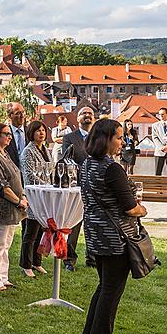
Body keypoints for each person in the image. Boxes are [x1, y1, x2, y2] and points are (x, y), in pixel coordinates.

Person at [79, 119, 148, 334]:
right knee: (111, 290)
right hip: (116, 238)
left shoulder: (87, 164)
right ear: (105, 139)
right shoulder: (111, 169)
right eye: (118, 137)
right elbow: (130, 207)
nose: (122, 142)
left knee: (104, 287)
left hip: (96, 235)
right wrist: (142, 209)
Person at [0, 122, 28, 291]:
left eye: (10, 134)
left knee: (6, 244)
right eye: (6, 134)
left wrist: (22, 196)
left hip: (13, 208)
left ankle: (3, 277)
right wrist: (18, 200)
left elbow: (15, 176)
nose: (10, 137)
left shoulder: (4, 153)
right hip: (1, 207)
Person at [60, 106, 94, 272]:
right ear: (77, 118)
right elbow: (67, 159)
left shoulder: (98, 137)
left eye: (90, 113)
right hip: (78, 187)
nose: (87, 115)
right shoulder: (69, 137)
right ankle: (69, 260)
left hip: (96, 187)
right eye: (83, 113)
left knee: (94, 224)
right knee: (74, 225)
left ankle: (93, 258)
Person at [19, 121, 49, 278]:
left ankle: (37, 262)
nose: (41, 133)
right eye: (38, 130)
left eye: (43, 130)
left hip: (44, 196)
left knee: (40, 232)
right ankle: (26, 264)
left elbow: (49, 169)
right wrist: (47, 185)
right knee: (30, 233)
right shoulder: (28, 151)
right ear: (31, 133)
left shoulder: (45, 149)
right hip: (32, 195)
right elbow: (29, 175)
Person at [4, 103, 27, 168]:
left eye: (23, 112)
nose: (22, 116)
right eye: (18, 113)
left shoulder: (30, 131)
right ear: (10, 116)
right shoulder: (4, 134)